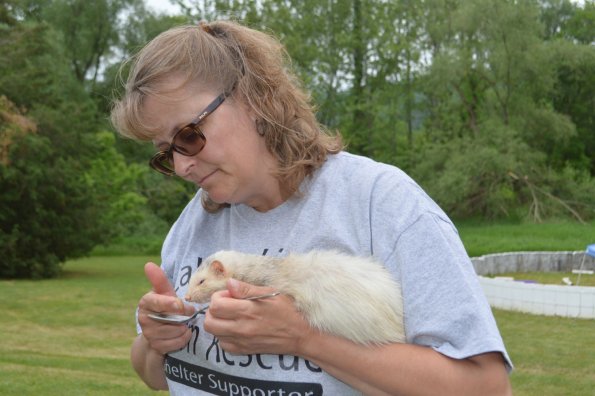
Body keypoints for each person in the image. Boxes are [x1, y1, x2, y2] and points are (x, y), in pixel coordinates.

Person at [110, 20, 513, 395]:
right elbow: (155, 374)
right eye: (165, 154)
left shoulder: (381, 204)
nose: (181, 166)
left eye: (189, 136)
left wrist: (304, 339)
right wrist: (154, 340)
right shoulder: (193, 223)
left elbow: (486, 386)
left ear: (253, 100)